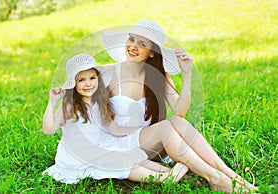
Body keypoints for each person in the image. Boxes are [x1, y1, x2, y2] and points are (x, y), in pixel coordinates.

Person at [101, 20, 258, 193]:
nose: (133, 46)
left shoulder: (158, 76)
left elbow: (180, 111)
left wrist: (187, 74)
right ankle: (215, 178)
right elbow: (79, 86)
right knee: (165, 127)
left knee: (177, 121)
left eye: (141, 43)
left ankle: (231, 176)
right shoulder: (108, 72)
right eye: (131, 39)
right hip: (120, 142)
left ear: (152, 53)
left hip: (146, 142)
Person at [42, 53, 188, 184]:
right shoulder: (69, 106)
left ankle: (167, 172)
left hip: (100, 146)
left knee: (130, 155)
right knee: (119, 162)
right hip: (80, 154)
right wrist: (52, 101)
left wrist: (140, 129)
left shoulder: (98, 102)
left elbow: (114, 128)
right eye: (81, 80)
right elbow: (48, 130)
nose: (88, 84)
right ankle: (163, 179)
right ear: (74, 84)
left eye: (92, 78)